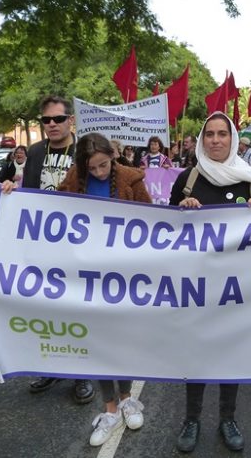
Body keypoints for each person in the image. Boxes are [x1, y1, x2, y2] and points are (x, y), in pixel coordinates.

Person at [169, 112, 251, 453]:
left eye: (222, 134)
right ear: (201, 139)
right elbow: (164, 230)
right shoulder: (188, 178)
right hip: (197, 285)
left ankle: (228, 417)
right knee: (196, 353)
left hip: (238, 285)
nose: (215, 140)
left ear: (232, 138)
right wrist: (182, 209)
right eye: (209, 134)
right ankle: (191, 418)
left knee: (231, 353)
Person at [57, 133, 151, 447]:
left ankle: (126, 399)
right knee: (97, 341)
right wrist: (12, 193)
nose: (99, 172)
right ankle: (109, 409)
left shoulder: (131, 180)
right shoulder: (72, 181)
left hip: (124, 275)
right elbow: (48, 211)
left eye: (104, 165)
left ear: (113, 157)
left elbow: (152, 221)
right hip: (87, 276)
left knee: (121, 339)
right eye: (93, 168)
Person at [10, 95, 94, 403]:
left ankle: (83, 374)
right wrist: (10, 192)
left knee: (77, 308)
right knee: (47, 309)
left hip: (79, 245)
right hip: (43, 245)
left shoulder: (85, 151)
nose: (52, 125)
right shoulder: (34, 152)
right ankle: (51, 366)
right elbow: (28, 195)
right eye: (46, 120)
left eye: (58, 119)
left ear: (71, 120)